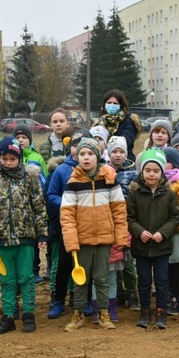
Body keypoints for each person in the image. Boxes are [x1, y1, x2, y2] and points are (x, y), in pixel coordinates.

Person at [0, 137, 48, 334]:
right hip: (0, 239)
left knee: (26, 277)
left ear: (19, 158)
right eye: (4, 158)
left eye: (12, 158)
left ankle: (28, 314)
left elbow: (39, 206)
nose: (8, 162)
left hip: (25, 236)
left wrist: (42, 234)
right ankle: (8, 315)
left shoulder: (30, 177)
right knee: (7, 280)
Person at [61, 138, 128, 331]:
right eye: (82, 154)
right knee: (81, 279)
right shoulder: (72, 182)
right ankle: (78, 313)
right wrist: (72, 241)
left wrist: (120, 236)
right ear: (77, 157)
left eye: (90, 154)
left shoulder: (109, 179)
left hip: (104, 240)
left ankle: (103, 312)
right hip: (82, 241)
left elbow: (119, 210)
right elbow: (66, 215)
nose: (86, 157)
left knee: (102, 278)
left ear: (97, 157)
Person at [127, 149, 179, 329]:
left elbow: (175, 217)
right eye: (147, 170)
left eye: (155, 171)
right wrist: (139, 232)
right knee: (143, 280)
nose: (151, 174)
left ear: (162, 172)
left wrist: (163, 233)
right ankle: (144, 311)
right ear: (142, 171)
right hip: (141, 247)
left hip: (161, 247)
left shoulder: (169, 193)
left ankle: (161, 311)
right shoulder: (135, 193)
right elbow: (129, 218)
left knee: (162, 280)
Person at [46, 128, 91, 319]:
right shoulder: (62, 170)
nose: (78, 149)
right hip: (67, 226)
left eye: (83, 145)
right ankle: (58, 300)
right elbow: (51, 195)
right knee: (64, 263)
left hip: (89, 226)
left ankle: (84, 299)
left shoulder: (96, 170)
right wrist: (68, 204)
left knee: (86, 264)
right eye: (75, 145)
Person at [106, 135, 139, 313]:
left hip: (127, 222)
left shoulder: (133, 173)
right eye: (114, 152)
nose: (118, 155)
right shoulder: (104, 171)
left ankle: (132, 293)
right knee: (114, 259)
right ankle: (118, 293)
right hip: (109, 222)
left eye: (121, 151)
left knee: (127, 260)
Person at [162, 147, 179, 316]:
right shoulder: (157, 181)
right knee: (162, 267)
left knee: (174, 267)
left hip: (176, 233)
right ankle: (165, 295)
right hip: (160, 233)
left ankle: (176, 298)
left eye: (164, 161)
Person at [95, 90, 141, 161]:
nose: (112, 105)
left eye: (115, 103)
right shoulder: (100, 123)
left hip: (124, 160)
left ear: (121, 105)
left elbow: (126, 140)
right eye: (109, 103)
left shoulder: (128, 122)